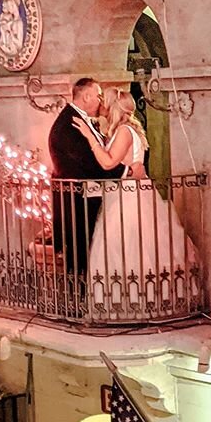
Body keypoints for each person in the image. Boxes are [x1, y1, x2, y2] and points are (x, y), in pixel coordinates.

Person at [72, 87, 198, 318]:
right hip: (126, 193)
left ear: (112, 107)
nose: (100, 105)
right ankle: (126, 304)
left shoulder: (125, 132)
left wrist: (90, 139)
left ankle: (138, 305)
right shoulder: (120, 131)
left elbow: (109, 163)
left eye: (104, 102)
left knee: (132, 248)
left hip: (130, 197)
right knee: (124, 249)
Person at [48, 78, 127, 275]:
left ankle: (84, 295)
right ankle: (78, 300)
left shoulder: (77, 119)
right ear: (86, 96)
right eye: (98, 95)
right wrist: (127, 172)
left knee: (88, 251)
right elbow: (91, 163)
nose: (101, 100)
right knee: (79, 254)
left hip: (87, 197)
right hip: (77, 200)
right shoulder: (70, 124)